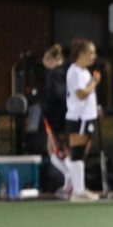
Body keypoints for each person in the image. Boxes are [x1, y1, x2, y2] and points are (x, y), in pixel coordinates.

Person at [64, 40, 102, 202]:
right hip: (78, 117)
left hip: (87, 116)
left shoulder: (83, 71)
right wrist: (94, 82)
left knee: (82, 153)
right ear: (80, 54)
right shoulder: (75, 72)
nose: (93, 56)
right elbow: (81, 94)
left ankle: (79, 188)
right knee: (77, 153)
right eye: (90, 53)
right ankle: (77, 191)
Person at [41, 44, 71, 196]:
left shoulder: (54, 74)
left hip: (57, 119)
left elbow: (58, 96)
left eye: (46, 59)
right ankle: (69, 182)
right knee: (63, 151)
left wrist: (50, 116)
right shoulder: (67, 72)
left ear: (53, 59)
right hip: (63, 118)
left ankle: (70, 177)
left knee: (55, 152)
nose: (43, 62)